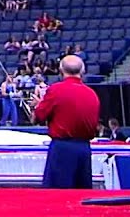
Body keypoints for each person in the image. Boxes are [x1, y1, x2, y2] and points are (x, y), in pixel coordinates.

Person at [32, 55, 99, 189]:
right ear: (82, 70)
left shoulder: (56, 90)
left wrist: (38, 106)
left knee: (58, 194)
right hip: (84, 149)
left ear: (61, 70)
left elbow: (38, 117)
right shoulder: (92, 94)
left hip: (62, 148)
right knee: (82, 193)